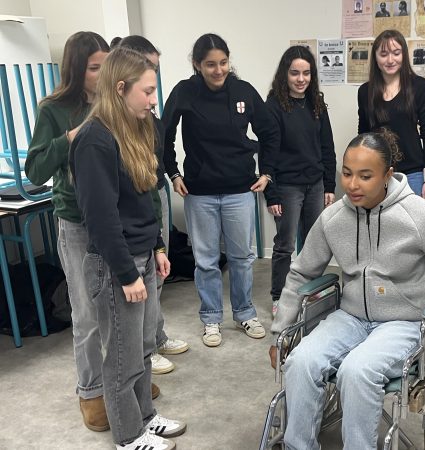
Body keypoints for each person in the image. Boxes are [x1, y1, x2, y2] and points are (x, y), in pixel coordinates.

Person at [269, 130, 425, 450]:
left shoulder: (421, 215)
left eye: (365, 176)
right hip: (351, 317)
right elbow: (301, 272)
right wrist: (281, 330)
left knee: (357, 372)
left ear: (387, 175)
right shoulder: (333, 218)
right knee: (301, 362)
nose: (352, 185)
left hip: (405, 322)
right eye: (347, 173)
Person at [70, 47, 186, 450]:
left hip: (141, 255)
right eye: (148, 91)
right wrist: (126, 274)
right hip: (115, 265)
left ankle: (145, 417)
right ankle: (128, 436)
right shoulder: (94, 140)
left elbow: (143, 199)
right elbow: (101, 220)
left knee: (142, 348)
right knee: (121, 357)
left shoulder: (133, 129)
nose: (154, 100)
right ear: (121, 88)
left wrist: (157, 246)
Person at [24, 31, 118, 432]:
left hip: (115, 219)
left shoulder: (116, 100)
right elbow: (35, 170)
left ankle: (122, 382)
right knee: (86, 312)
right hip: (76, 220)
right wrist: (70, 138)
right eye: (95, 68)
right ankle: (91, 391)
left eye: (106, 66)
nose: (102, 75)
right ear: (77, 69)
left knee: (119, 310)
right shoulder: (54, 109)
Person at [162, 33, 277, 347]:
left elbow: (270, 132)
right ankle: (211, 318)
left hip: (240, 190)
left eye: (223, 62)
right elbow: (163, 134)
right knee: (206, 261)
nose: (218, 70)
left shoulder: (243, 91)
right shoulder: (185, 92)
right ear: (197, 64)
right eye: (210, 64)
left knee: (242, 258)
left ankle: (244, 313)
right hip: (199, 192)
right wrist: (173, 173)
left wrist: (267, 172)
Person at [114, 35, 190, 375]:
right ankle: (145, 349)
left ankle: (155, 337)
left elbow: (161, 148)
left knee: (159, 271)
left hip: (154, 191)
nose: (153, 89)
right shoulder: (107, 131)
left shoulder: (147, 116)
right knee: (140, 284)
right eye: (149, 71)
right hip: (135, 205)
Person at [265, 45, 337, 318]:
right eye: (295, 73)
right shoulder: (273, 106)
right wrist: (271, 194)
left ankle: (310, 289)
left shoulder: (316, 104)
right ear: (285, 74)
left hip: (315, 184)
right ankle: (279, 296)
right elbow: (268, 153)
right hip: (287, 187)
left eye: (306, 73)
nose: (301, 79)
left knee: (313, 242)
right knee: (285, 244)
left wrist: (329, 185)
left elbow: (327, 147)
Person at [357, 29, 425, 202]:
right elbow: (363, 136)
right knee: (379, 219)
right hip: (377, 173)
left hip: (412, 174)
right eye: (383, 54)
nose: (390, 60)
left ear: (404, 55)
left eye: (396, 53)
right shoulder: (365, 91)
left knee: (412, 219)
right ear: (375, 58)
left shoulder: (419, 86)